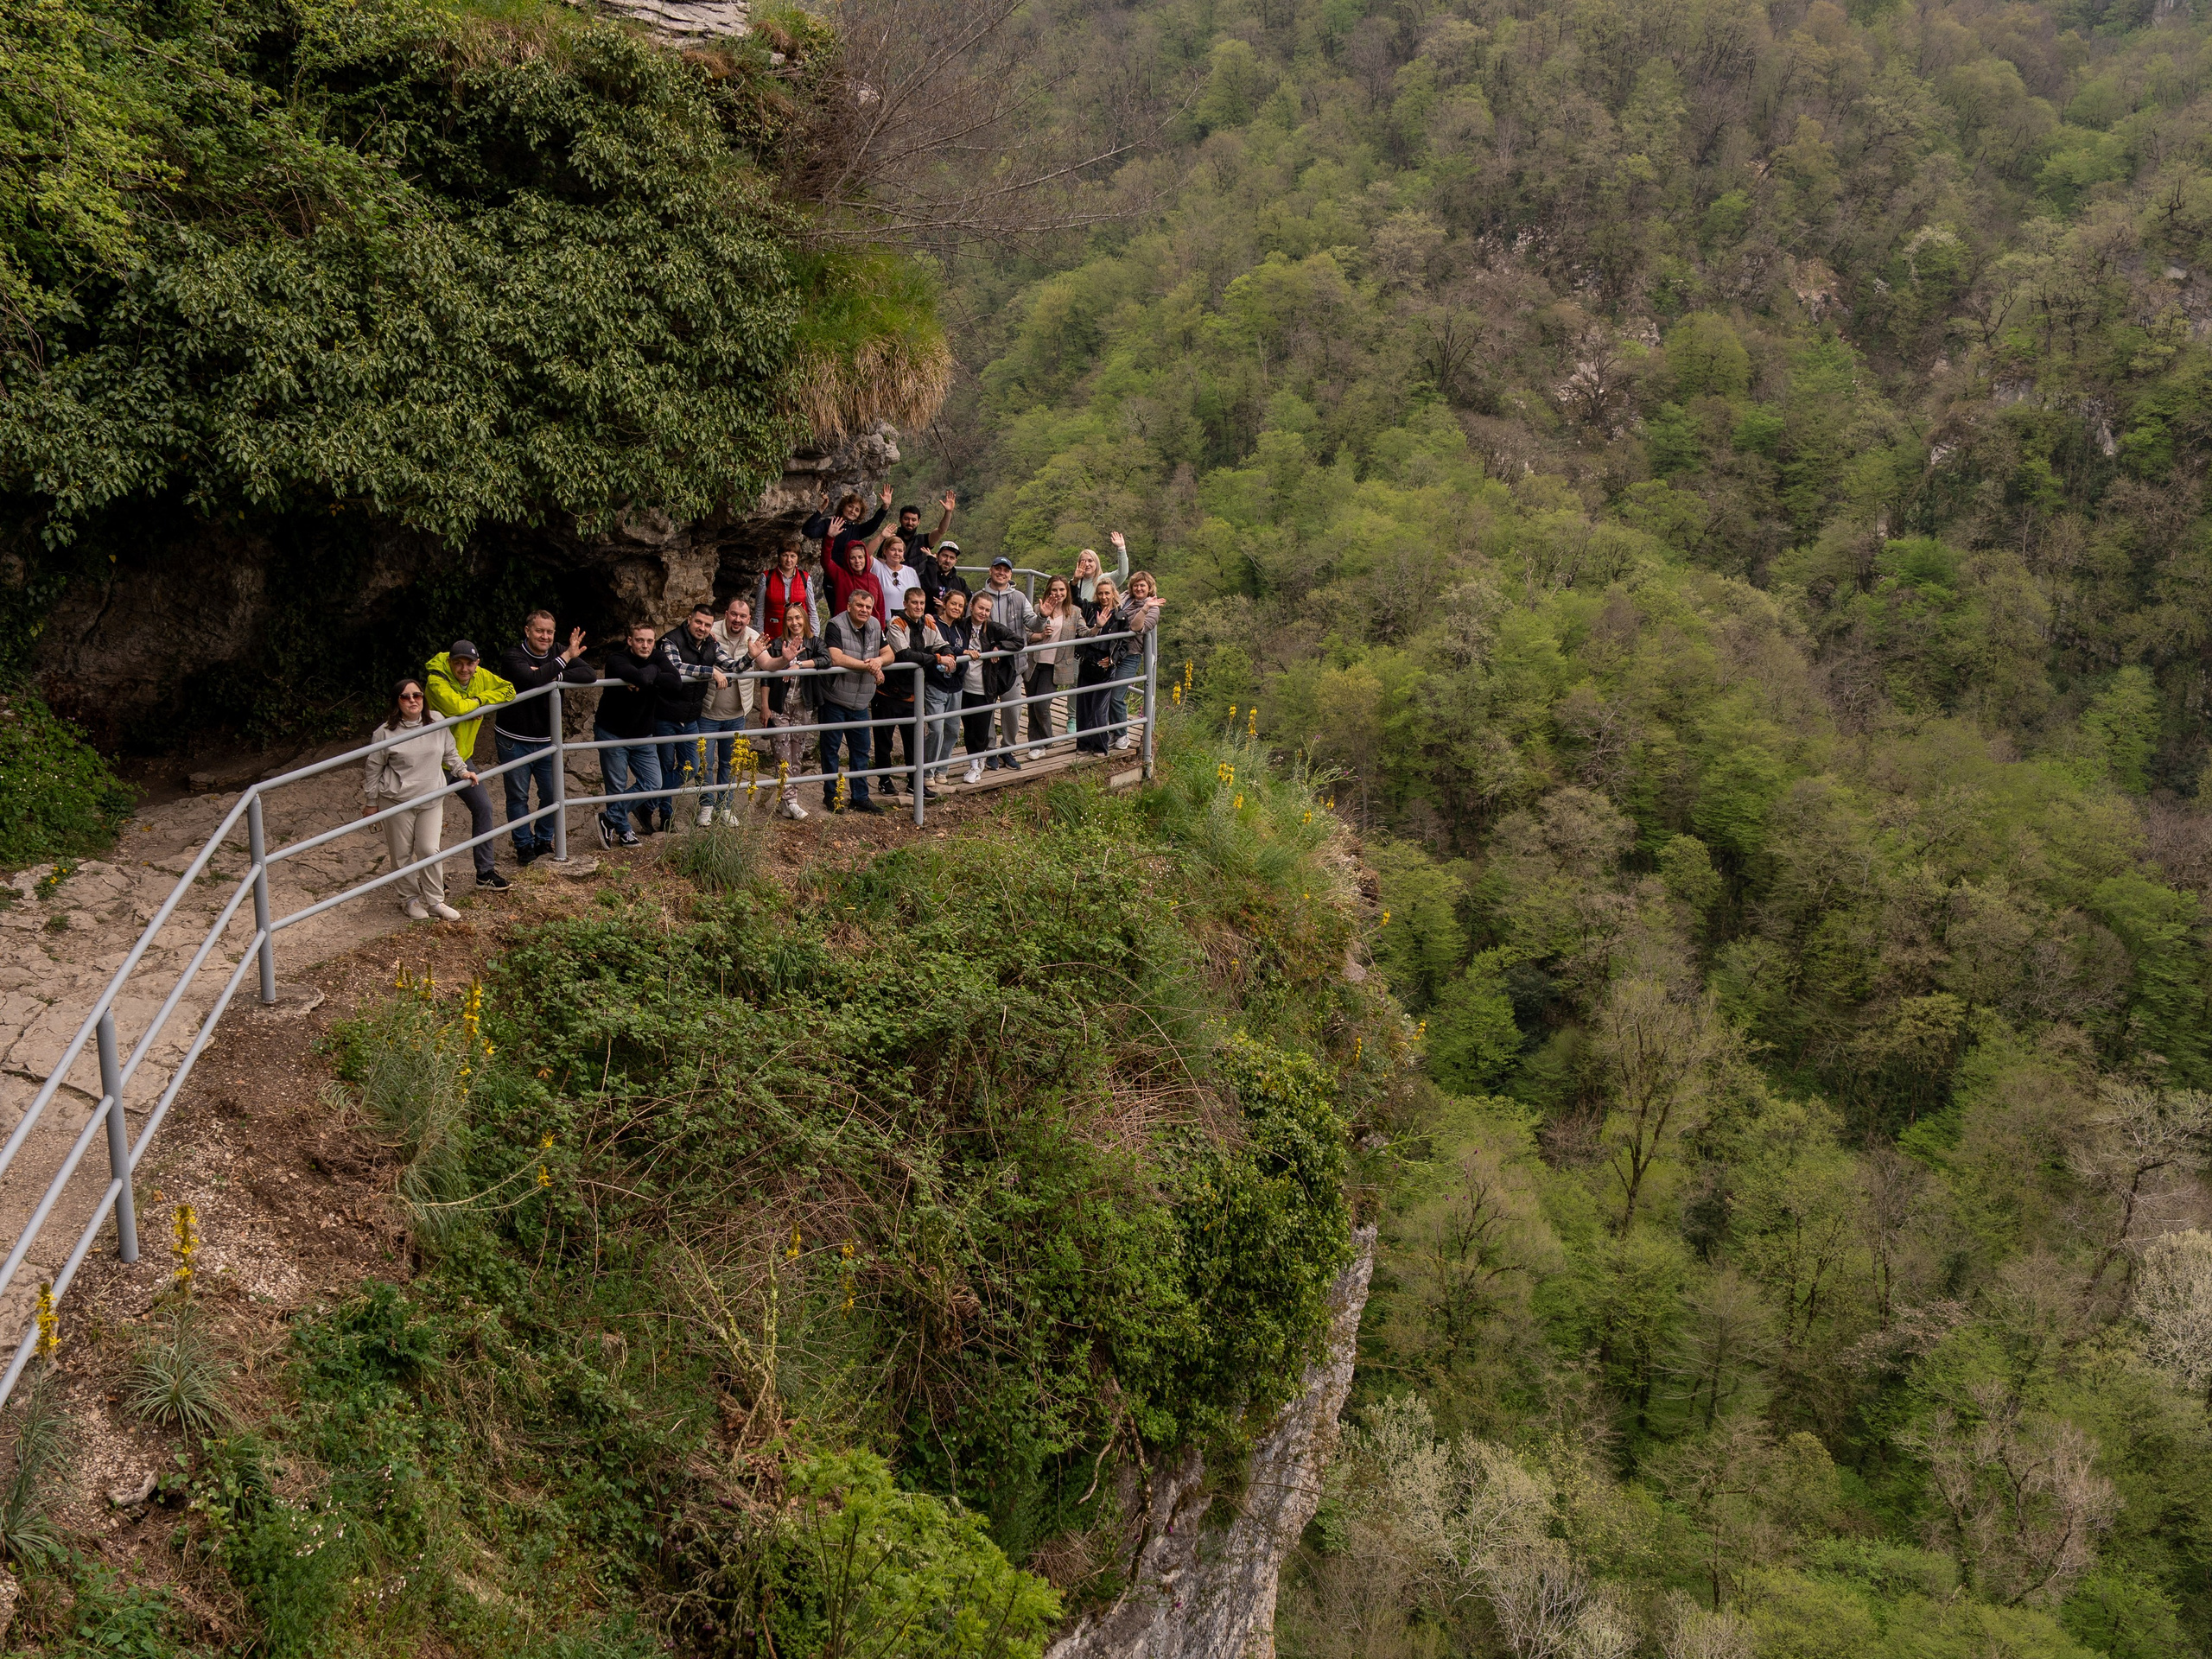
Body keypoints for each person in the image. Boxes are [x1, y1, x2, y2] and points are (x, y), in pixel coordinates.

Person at [363, 678, 473, 922]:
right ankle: (409, 900)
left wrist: (462, 771)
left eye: (417, 695)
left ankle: (435, 901)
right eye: (405, 697)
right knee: (402, 854)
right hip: (397, 800)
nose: (412, 700)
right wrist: (371, 802)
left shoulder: (437, 721)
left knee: (428, 850)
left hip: (431, 797)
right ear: (396, 702)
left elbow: (450, 752)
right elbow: (373, 768)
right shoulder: (385, 733)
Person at [494, 611, 594, 866]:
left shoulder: (558, 651)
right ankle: (523, 846)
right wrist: (565, 659)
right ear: (527, 631)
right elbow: (532, 679)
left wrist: (555, 674)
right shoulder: (513, 656)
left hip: (547, 740)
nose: (545, 637)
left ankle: (543, 839)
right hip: (514, 738)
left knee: (552, 792)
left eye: (550, 632)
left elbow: (589, 675)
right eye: (540, 631)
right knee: (518, 796)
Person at [423, 640, 513, 892]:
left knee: (484, 807)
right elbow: (456, 706)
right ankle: (431, 879)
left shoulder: (479, 676)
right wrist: (472, 705)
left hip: (461, 759)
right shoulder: (436, 680)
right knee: (428, 821)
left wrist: (478, 700)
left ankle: (485, 872)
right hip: (433, 762)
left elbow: (509, 690)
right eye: (458, 663)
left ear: (477, 663)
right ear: (450, 662)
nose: (464, 669)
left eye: (469, 663)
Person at [650, 604, 745, 831]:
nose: (702, 628)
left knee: (691, 768)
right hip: (666, 714)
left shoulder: (711, 643)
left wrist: (752, 655)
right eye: (698, 622)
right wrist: (710, 671)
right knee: (665, 766)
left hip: (690, 717)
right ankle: (666, 816)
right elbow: (675, 668)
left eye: (707, 625)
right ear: (689, 619)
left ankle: (646, 801)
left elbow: (732, 666)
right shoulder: (670, 640)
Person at [595, 620, 675, 848]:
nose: (645, 645)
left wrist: (650, 674)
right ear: (630, 641)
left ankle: (608, 819)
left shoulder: (657, 657)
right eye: (640, 640)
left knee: (654, 782)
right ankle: (624, 830)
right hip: (613, 732)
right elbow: (643, 678)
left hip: (643, 734)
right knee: (616, 785)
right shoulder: (617, 659)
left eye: (650, 641)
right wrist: (652, 675)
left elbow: (676, 682)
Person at [821, 586, 893, 814]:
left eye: (868, 607)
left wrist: (879, 663)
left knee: (861, 751)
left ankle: (860, 797)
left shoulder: (874, 625)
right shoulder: (835, 625)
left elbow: (890, 653)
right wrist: (869, 667)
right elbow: (835, 656)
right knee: (830, 750)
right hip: (835, 699)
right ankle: (831, 796)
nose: (864, 610)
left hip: (861, 702)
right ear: (849, 606)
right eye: (860, 606)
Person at [752, 601, 825, 820]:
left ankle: (788, 801)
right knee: (782, 755)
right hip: (779, 707)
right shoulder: (776, 645)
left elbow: (826, 659)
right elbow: (766, 675)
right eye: (790, 619)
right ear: (785, 623)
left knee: (796, 753)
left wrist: (799, 666)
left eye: (798, 618)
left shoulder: (814, 642)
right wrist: (764, 706)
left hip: (803, 706)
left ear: (805, 619)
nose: (795, 622)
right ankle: (790, 800)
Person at [883, 586, 949, 799]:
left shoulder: (929, 623)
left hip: (913, 692)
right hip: (889, 692)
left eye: (922, 603)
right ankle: (884, 781)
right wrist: (938, 659)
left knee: (914, 740)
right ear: (905, 604)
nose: (919, 607)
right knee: (885, 740)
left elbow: (942, 644)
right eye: (914, 603)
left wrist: (949, 655)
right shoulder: (896, 624)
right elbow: (904, 655)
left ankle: (914, 783)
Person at [701, 596, 761, 824]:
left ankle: (724, 807)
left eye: (743, 616)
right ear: (726, 614)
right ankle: (706, 805)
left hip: (737, 714)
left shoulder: (753, 636)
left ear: (748, 619)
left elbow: (765, 663)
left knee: (730, 762)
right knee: (705, 762)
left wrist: (784, 660)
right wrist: (711, 670)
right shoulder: (710, 630)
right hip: (707, 711)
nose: (737, 619)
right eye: (734, 614)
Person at [1105, 570, 1166, 752]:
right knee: (1107, 692)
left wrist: (1145, 608)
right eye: (1136, 585)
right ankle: (1113, 732)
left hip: (1129, 655)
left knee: (1117, 695)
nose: (1139, 588)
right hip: (1110, 651)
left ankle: (1123, 734)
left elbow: (1136, 627)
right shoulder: (1124, 598)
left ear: (1149, 589)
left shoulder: (1154, 609)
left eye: (1143, 586)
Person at [1073, 575, 1128, 754]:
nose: (1104, 597)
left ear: (1113, 594)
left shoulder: (1120, 616)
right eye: (1100, 593)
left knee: (1099, 709)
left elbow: (1124, 644)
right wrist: (1075, 581)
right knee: (1083, 706)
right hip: (1088, 661)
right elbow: (1075, 601)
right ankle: (1083, 744)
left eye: (1107, 593)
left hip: (1105, 666)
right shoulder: (1091, 609)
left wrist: (1113, 660)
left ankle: (1100, 746)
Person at [1025, 576, 1082, 751]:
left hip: (1054, 666)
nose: (1058, 593)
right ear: (1049, 591)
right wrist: (1040, 635)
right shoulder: (1038, 608)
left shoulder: (1074, 612)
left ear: (1067, 592)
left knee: (1042, 706)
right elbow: (1026, 635)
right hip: (1034, 662)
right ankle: (1035, 744)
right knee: (1032, 705)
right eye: (1054, 590)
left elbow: (1085, 632)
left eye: (1062, 590)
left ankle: (1047, 740)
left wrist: (1098, 627)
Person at [921, 587, 969, 784]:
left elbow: (964, 656)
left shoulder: (961, 629)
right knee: (936, 730)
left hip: (956, 686)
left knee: (952, 730)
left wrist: (957, 668)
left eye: (960, 605)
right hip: (936, 685)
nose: (956, 608)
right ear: (945, 604)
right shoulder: (933, 624)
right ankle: (926, 771)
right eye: (953, 604)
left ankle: (942, 768)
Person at [755, 537, 821, 641]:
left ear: (798, 558)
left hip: (799, 634)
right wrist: (759, 636)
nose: (788, 560)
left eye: (793, 556)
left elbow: (812, 609)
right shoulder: (767, 577)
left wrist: (815, 637)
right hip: (772, 635)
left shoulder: (805, 578)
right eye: (785, 555)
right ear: (779, 557)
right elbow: (759, 610)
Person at [804, 488, 887, 570]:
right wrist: (820, 510)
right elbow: (808, 531)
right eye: (850, 506)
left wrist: (885, 507)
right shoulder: (829, 524)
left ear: (859, 515)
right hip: (830, 575)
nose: (852, 511)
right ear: (843, 507)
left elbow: (874, 524)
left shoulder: (857, 530)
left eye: (857, 510)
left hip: (849, 576)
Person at [824, 536, 889, 626]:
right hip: (846, 628)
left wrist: (881, 630)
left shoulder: (873, 579)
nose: (857, 561)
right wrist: (830, 538)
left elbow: (880, 607)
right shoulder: (840, 576)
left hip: (871, 630)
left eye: (860, 557)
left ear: (866, 558)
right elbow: (825, 561)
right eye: (853, 558)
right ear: (848, 559)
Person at [920, 537, 970, 617]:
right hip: (928, 622)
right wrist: (931, 561)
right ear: (937, 556)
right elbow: (930, 588)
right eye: (944, 556)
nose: (947, 560)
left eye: (952, 558)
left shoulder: (961, 583)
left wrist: (946, 608)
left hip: (952, 625)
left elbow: (967, 606)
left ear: (955, 561)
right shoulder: (926, 576)